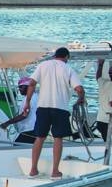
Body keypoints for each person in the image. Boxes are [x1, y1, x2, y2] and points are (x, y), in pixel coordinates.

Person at [22, 47, 84, 179]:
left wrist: (27, 102)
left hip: (43, 107)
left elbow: (31, 83)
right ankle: (55, 171)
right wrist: (81, 98)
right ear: (66, 57)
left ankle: (33, 169)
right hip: (60, 108)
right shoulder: (68, 69)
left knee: (40, 137)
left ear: (55, 55)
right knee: (58, 138)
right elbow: (79, 88)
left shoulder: (43, 65)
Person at [0, 76, 40, 145]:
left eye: (21, 87)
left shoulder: (29, 99)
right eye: (19, 87)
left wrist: (7, 123)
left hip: (29, 130)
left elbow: (24, 115)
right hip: (35, 129)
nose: (19, 89)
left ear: (28, 87)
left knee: (16, 146)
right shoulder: (36, 96)